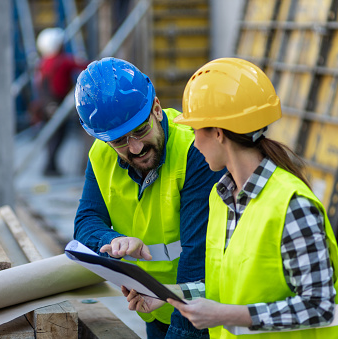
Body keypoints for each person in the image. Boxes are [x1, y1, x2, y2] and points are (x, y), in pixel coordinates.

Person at [124, 58, 338, 338]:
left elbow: (322, 307)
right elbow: (225, 288)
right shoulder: (221, 198)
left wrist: (228, 315)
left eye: (196, 131)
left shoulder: (292, 204)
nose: (194, 142)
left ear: (218, 133)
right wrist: (167, 295)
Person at [74, 57, 224, 338]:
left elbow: (196, 258)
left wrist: (181, 331)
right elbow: (86, 222)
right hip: (152, 302)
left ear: (156, 108)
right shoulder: (101, 153)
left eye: (141, 131)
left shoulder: (195, 151)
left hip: (201, 313)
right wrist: (112, 241)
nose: (136, 147)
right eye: (120, 141)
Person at [32, 27, 88, 176]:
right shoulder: (62, 61)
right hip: (55, 103)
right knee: (58, 135)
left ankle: (51, 166)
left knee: (52, 135)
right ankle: (50, 166)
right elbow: (84, 66)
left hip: (45, 103)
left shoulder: (43, 62)